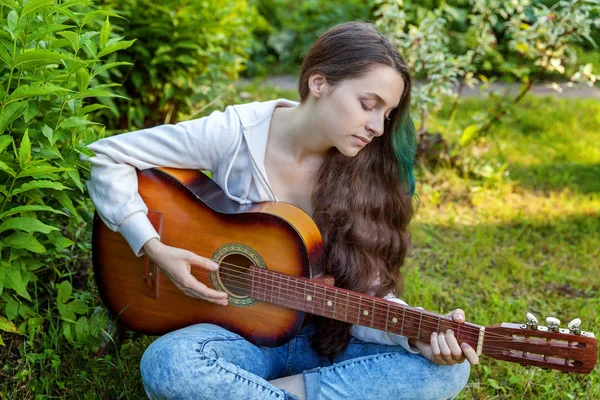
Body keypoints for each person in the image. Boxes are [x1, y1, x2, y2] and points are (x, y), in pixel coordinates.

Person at [84, 21, 478, 400]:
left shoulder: (370, 171)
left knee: (447, 370)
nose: (377, 126)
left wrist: (417, 334)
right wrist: (153, 246)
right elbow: (108, 156)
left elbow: (370, 296)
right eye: (367, 104)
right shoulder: (236, 133)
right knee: (170, 363)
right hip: (237, 333)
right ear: (319, 82)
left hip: (326, 339)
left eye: (386, 114)